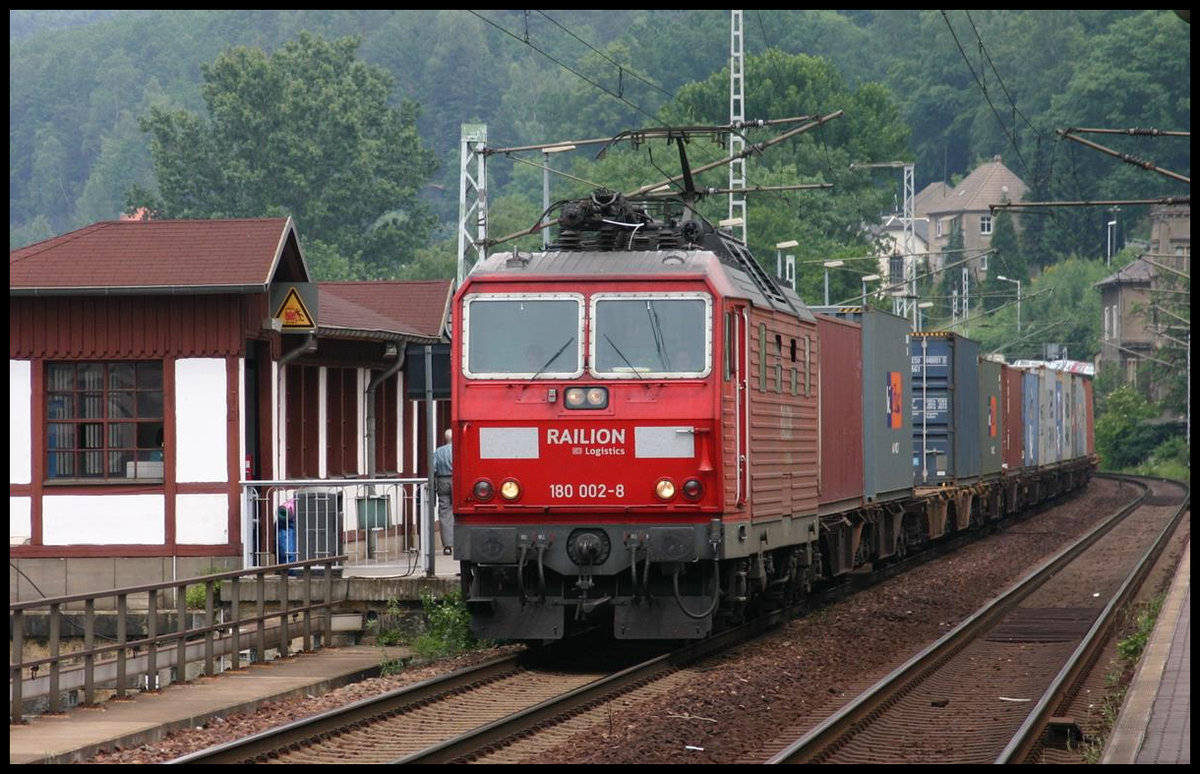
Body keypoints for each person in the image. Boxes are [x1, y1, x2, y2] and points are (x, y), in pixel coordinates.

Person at [434, 428, 453, 555]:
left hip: (442, 481)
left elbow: (433, 468)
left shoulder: (438, 451)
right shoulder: (459, 450)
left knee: (444, 511)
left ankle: (447, 545)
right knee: (459, 511)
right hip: (458, 480)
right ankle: (460, 541)